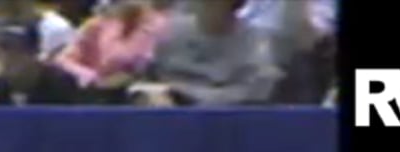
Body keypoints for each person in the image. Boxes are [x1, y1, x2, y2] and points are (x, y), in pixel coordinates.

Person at [127, 0, 278, 107]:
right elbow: (142, 78)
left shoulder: (255, 43)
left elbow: (253, 93)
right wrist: (149, 96)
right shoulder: (169, 32)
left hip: (227, 122)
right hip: (168, 116)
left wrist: (185, 96)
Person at [52, 0, 165, 103]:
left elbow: (124, 60)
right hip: (95, 92)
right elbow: (63, 60)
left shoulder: (158, 25)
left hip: (139, 90)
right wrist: (91, 77)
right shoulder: (98, 24)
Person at [0, 19, 81, 105]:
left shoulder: (61, 84)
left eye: (18, 49)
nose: (8, 57)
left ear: (34, 52)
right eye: (3, 48)